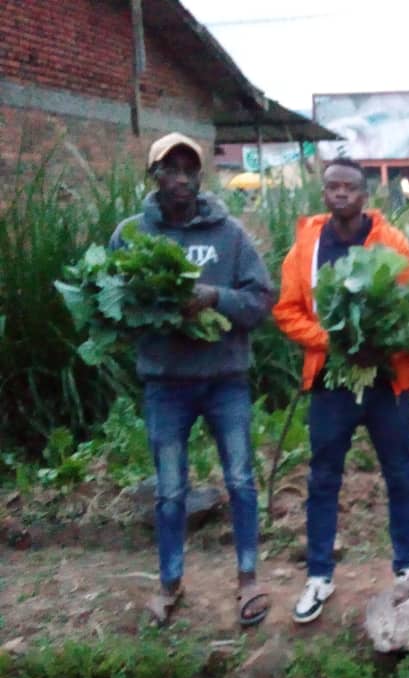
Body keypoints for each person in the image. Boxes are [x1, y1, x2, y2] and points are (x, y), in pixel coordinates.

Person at [110, 132, 275, 626]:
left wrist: (213, 297)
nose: (181, 179)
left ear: (200, 177)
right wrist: (154, 309)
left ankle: (248, 581)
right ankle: (169, 586)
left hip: (225, 380)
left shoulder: (229, 235)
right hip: (166, 383)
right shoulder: (132, 235)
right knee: (169, 490)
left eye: (190, 170)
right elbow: (115, 304)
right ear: (154, 176)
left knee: (242, 480)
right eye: (170, 170)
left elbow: (260, 301)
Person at [273, 158, 409, 624]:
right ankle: (319, 574)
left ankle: (407, 566)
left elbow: (408, 308)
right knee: (323, 477)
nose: (340, 194)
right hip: (331, 381)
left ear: (365, 195)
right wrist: (334, 342)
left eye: (350, 187)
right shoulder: (306, 246)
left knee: (399, 472)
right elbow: (287, 310)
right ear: (324, 193)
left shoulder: (393, 243)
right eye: (332, 186)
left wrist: (375, 344)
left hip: (386, 380)